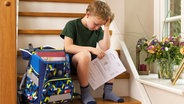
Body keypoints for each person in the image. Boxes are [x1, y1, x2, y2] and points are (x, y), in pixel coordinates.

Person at [60, 0, 124, 104]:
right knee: (85, 54)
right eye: (95, 24)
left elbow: (106, 48)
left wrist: (107, 27)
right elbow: (68, 47)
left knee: (113, 53)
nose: (97, 27)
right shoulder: (72, 25)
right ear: (87, 14)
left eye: (100, 25)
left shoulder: (97, 29)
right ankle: (85, 93)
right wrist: (90, 49)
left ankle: (108, 91)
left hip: (88, 63)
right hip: (72, 62)